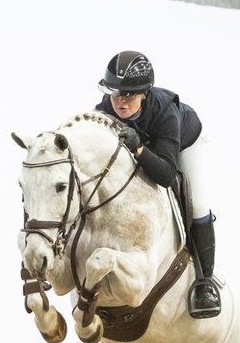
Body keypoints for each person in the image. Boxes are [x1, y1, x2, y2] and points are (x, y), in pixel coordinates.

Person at [95, 50, 221, 319]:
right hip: (149, 146)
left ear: (144, 94)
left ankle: (206, 283)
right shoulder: (104, 111)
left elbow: (165, 175)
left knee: (197, 203)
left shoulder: (164, 112)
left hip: (186, 142)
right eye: (115, 94)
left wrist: (140, 149)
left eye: (128, 95)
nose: (121, 102)